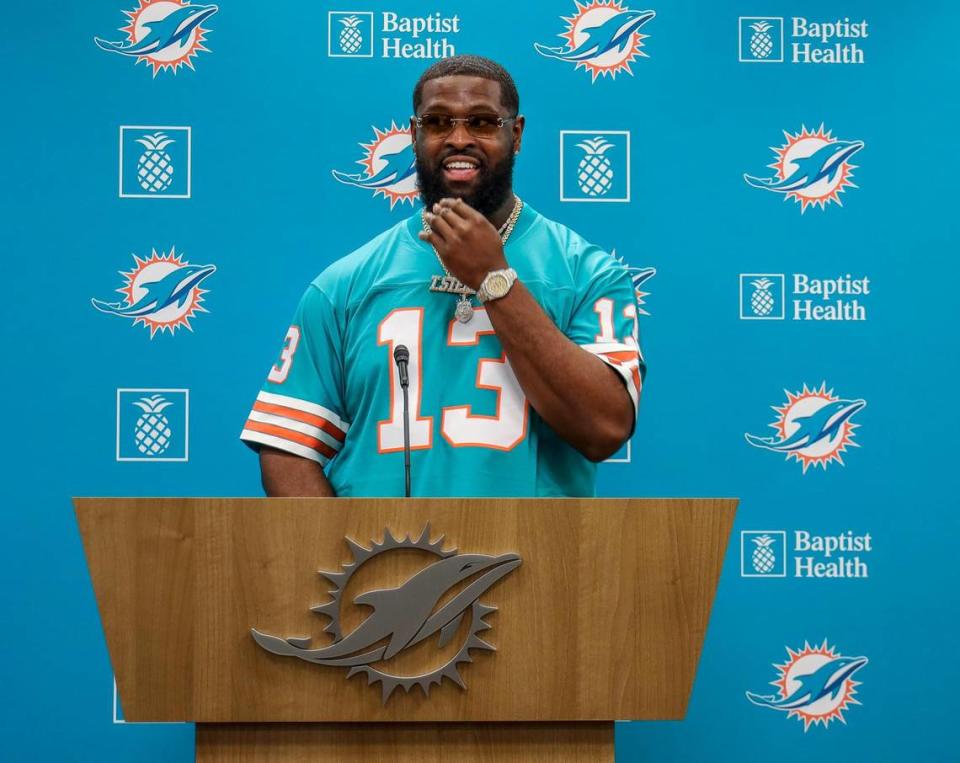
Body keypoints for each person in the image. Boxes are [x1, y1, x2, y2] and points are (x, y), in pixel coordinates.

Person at [240, 55, 645, 497]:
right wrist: (347, 560)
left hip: (537, 560)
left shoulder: (586, 272)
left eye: (482, 122)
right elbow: (287, 450)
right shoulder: (346, 283)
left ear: (517, 134)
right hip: (383, 559)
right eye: (437, 122)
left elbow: (604, 428)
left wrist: (495, 279)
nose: (459, 139)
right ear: (414, 135)